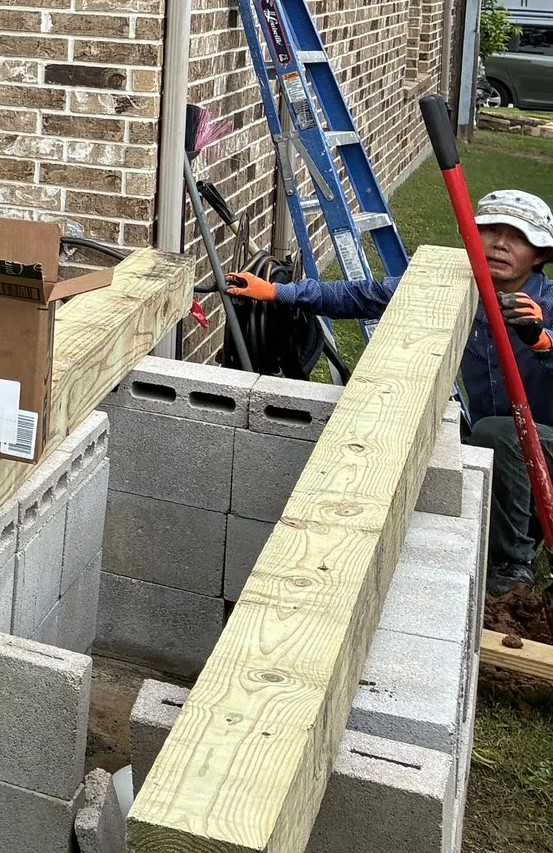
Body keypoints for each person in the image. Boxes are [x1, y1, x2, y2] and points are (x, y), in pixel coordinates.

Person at [227, 188, 553, 597]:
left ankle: (514, 564)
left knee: (496, 434)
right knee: (455, 439)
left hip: (538, 442)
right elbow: (365, 295)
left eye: (518, 237)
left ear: (539, 254)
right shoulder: (459, 288)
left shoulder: (547, 306)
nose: (501, 244)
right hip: (509, 446)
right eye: (491, 231)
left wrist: (541, 341)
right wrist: (279, 293)